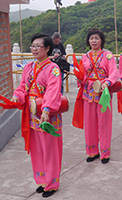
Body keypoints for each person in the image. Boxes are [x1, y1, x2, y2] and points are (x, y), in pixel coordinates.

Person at [11, 33, 62, 198]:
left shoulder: (53, 68)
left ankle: (52, 183)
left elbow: (53, 91)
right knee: (37, 150)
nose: (34, 49)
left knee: (50, 150)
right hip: (31, 115)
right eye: (32, 45)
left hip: (47, 116)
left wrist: (46, 110)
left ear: (47, 49)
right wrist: (16, 96)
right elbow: (22, 87)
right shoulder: (28, 67)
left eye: (38, 46)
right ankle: (41, 180)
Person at [76, 28, 118, 163]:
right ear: (88, 40)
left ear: (101, 40)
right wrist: (79, 77)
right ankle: (92, 151)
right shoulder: (85, 57)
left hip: (103, 93)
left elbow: (113, 73)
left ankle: (105, 152)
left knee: (104, 123)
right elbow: (83, 74)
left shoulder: (108, 55)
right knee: (90, 123)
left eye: (96, 38)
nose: (93, 41)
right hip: (88, 93)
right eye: (91, 38)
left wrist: (107, 82)